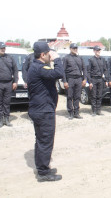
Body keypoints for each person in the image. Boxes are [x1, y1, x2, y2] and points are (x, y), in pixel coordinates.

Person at [27, 41, 63, 182]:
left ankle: (43, 167)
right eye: (48, 53)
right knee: (46, 141)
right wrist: (58, 59)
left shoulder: (37, 66)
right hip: (43, 111)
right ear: (42, 55)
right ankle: (43, 173)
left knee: (41, 141)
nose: (50, 55)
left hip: (40, 109)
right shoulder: (39, 68)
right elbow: (58, 73)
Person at [62, 43, 87, 119]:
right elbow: (63, 71)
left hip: (78, 79)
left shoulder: (80, 58)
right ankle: (70, 113)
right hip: (70, 79)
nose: (75, 49)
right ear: (70, 49)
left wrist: (85, 79)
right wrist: (65, 81)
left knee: (77, 96)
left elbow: (84, 69)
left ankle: (76, 112)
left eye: (76, 48)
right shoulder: (66, 58)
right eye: (74, 48)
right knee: (70, 96)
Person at [0, 41, 18, 127]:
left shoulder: (10, 58)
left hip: (8, 83)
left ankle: (6, 119)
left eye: (4, 48)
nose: (3, 49)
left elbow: (15, 70)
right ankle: (0, 120)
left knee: (6, 102)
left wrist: (15, 81)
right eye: (1, 48)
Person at [87, 45, 108, 116]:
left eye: (99, 50)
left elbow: (105, 70)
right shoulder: (91, 60)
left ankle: (98, 110)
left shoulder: (103, 59)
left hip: (100, 79)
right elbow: (88, 72)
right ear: (94, 51)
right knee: (93, 95)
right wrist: (90, 82)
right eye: (97, 50)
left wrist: (105, 79)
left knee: (99, 95)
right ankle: (93, 110)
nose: (98, 51)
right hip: (93, 79)